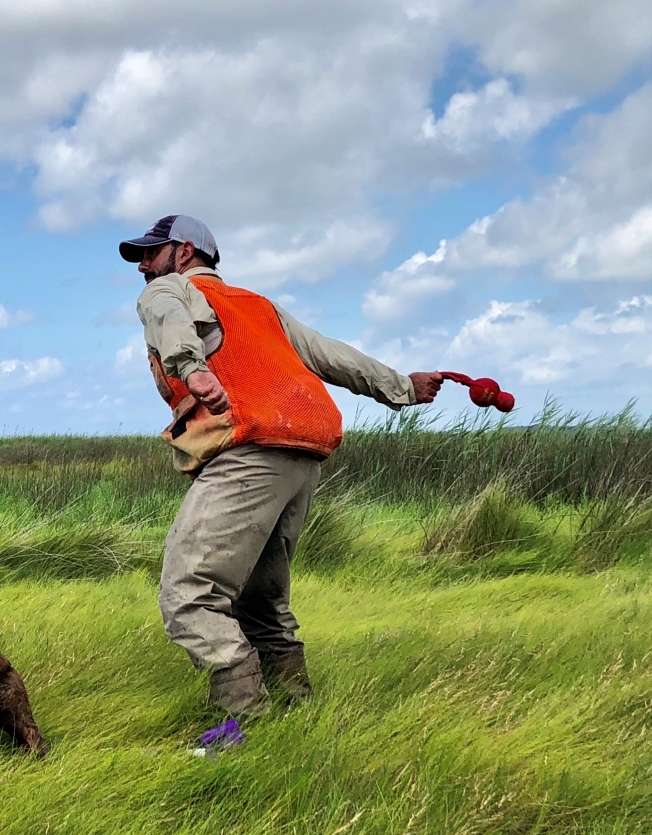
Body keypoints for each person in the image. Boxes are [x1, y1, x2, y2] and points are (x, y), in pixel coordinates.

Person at [120, 214, 443, 716]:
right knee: (259, 602)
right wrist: (402, 386)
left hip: (248, 449)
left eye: (151, 253)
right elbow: (329, 353)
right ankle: (295, 716)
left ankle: (244, 723)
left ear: (184, 252)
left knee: (189, 595)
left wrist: (192, 368)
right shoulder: (259, 306)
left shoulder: (169, 288)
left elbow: (165, 313)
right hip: (301, 454)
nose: (143, 265)